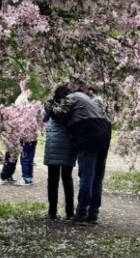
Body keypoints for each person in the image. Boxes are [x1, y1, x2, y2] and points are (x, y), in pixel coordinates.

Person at [45, 78, 112, 225]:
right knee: (97, 179)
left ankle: (81, 214)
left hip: (88, 137)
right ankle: (93, 215)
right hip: (104, 135)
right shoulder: (93, 99)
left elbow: (58, 114)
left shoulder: (73, 97)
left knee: (87, 177)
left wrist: (48, 105)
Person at [42, 83, 77, 220]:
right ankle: (70, 212)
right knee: (67, 179)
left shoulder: (50, 105)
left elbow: (43, 118)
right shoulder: (71, 105)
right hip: (68, 143)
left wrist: (47, 106)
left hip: (53, 144)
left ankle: (52, 212)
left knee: (52, 179)